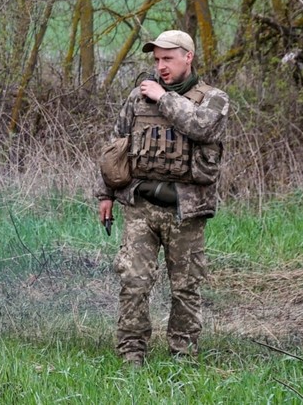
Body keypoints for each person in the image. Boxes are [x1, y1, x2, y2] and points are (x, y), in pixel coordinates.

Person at [96, 29, 230, 367]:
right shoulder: (137, 98)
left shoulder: (214, 98)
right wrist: (106, 194)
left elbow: (203, 128)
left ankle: (183, 356)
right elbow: (116, 146)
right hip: (140, 208)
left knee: (186, 287)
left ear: (189, 57)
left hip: (186, 211)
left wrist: (163, 97)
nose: (160, 66)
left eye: (167, 58)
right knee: (133, 281)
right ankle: (131, 354)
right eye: (156, 60)